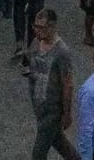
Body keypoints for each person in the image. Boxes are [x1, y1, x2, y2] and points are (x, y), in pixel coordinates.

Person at [26, 9, 81, 160]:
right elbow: (31, 65)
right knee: (58, 141)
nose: (37, 30)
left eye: (41, 27)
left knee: (38, 154)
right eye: (35, 26)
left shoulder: (62, 51)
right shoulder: (36, 42)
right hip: (39, 105)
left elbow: (68, 84)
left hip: (53, 109)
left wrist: (67, 113)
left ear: (52, 26)